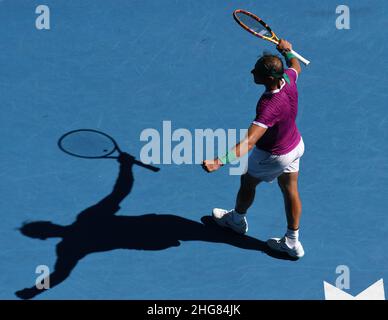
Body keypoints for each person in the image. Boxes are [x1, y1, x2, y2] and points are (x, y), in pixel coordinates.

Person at [202, 39, 306, 258]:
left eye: (256, 71)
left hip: (273, 155)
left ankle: (237, 221)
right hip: (295, 145)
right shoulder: (288, 79)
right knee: (290, 189)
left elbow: (249, 142)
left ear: (269, 78)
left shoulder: (269, 107)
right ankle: (292, 242)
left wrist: (219, 161)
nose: (252, 71)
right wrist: (287, 52)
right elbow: (296, 66)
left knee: (248, 182)